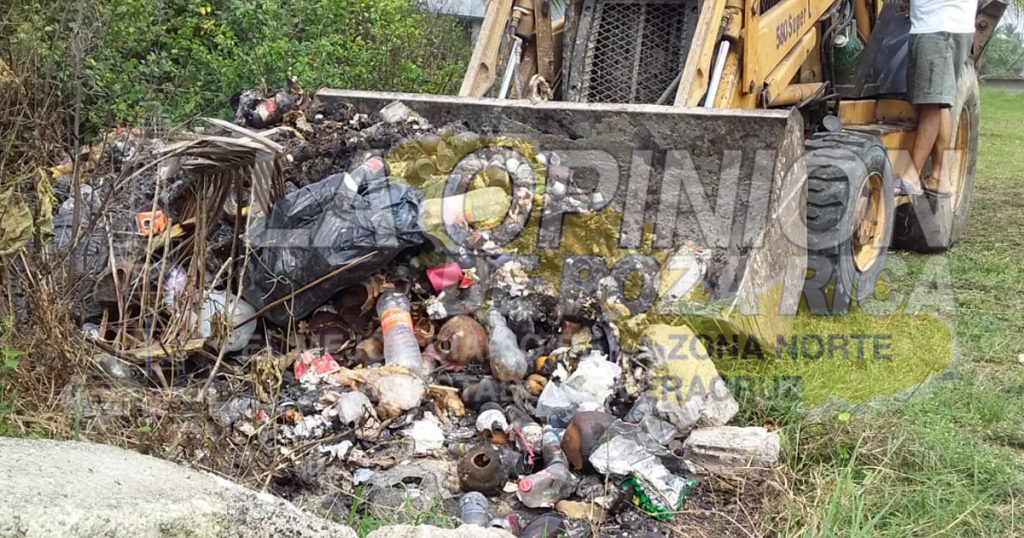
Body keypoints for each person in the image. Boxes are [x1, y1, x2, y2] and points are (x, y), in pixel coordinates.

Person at [896, 0, 978, 197]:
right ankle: (940, 178)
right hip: (942, 26)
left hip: (939, 28)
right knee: (939, 102)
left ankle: (912, 176)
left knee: (931, 103)